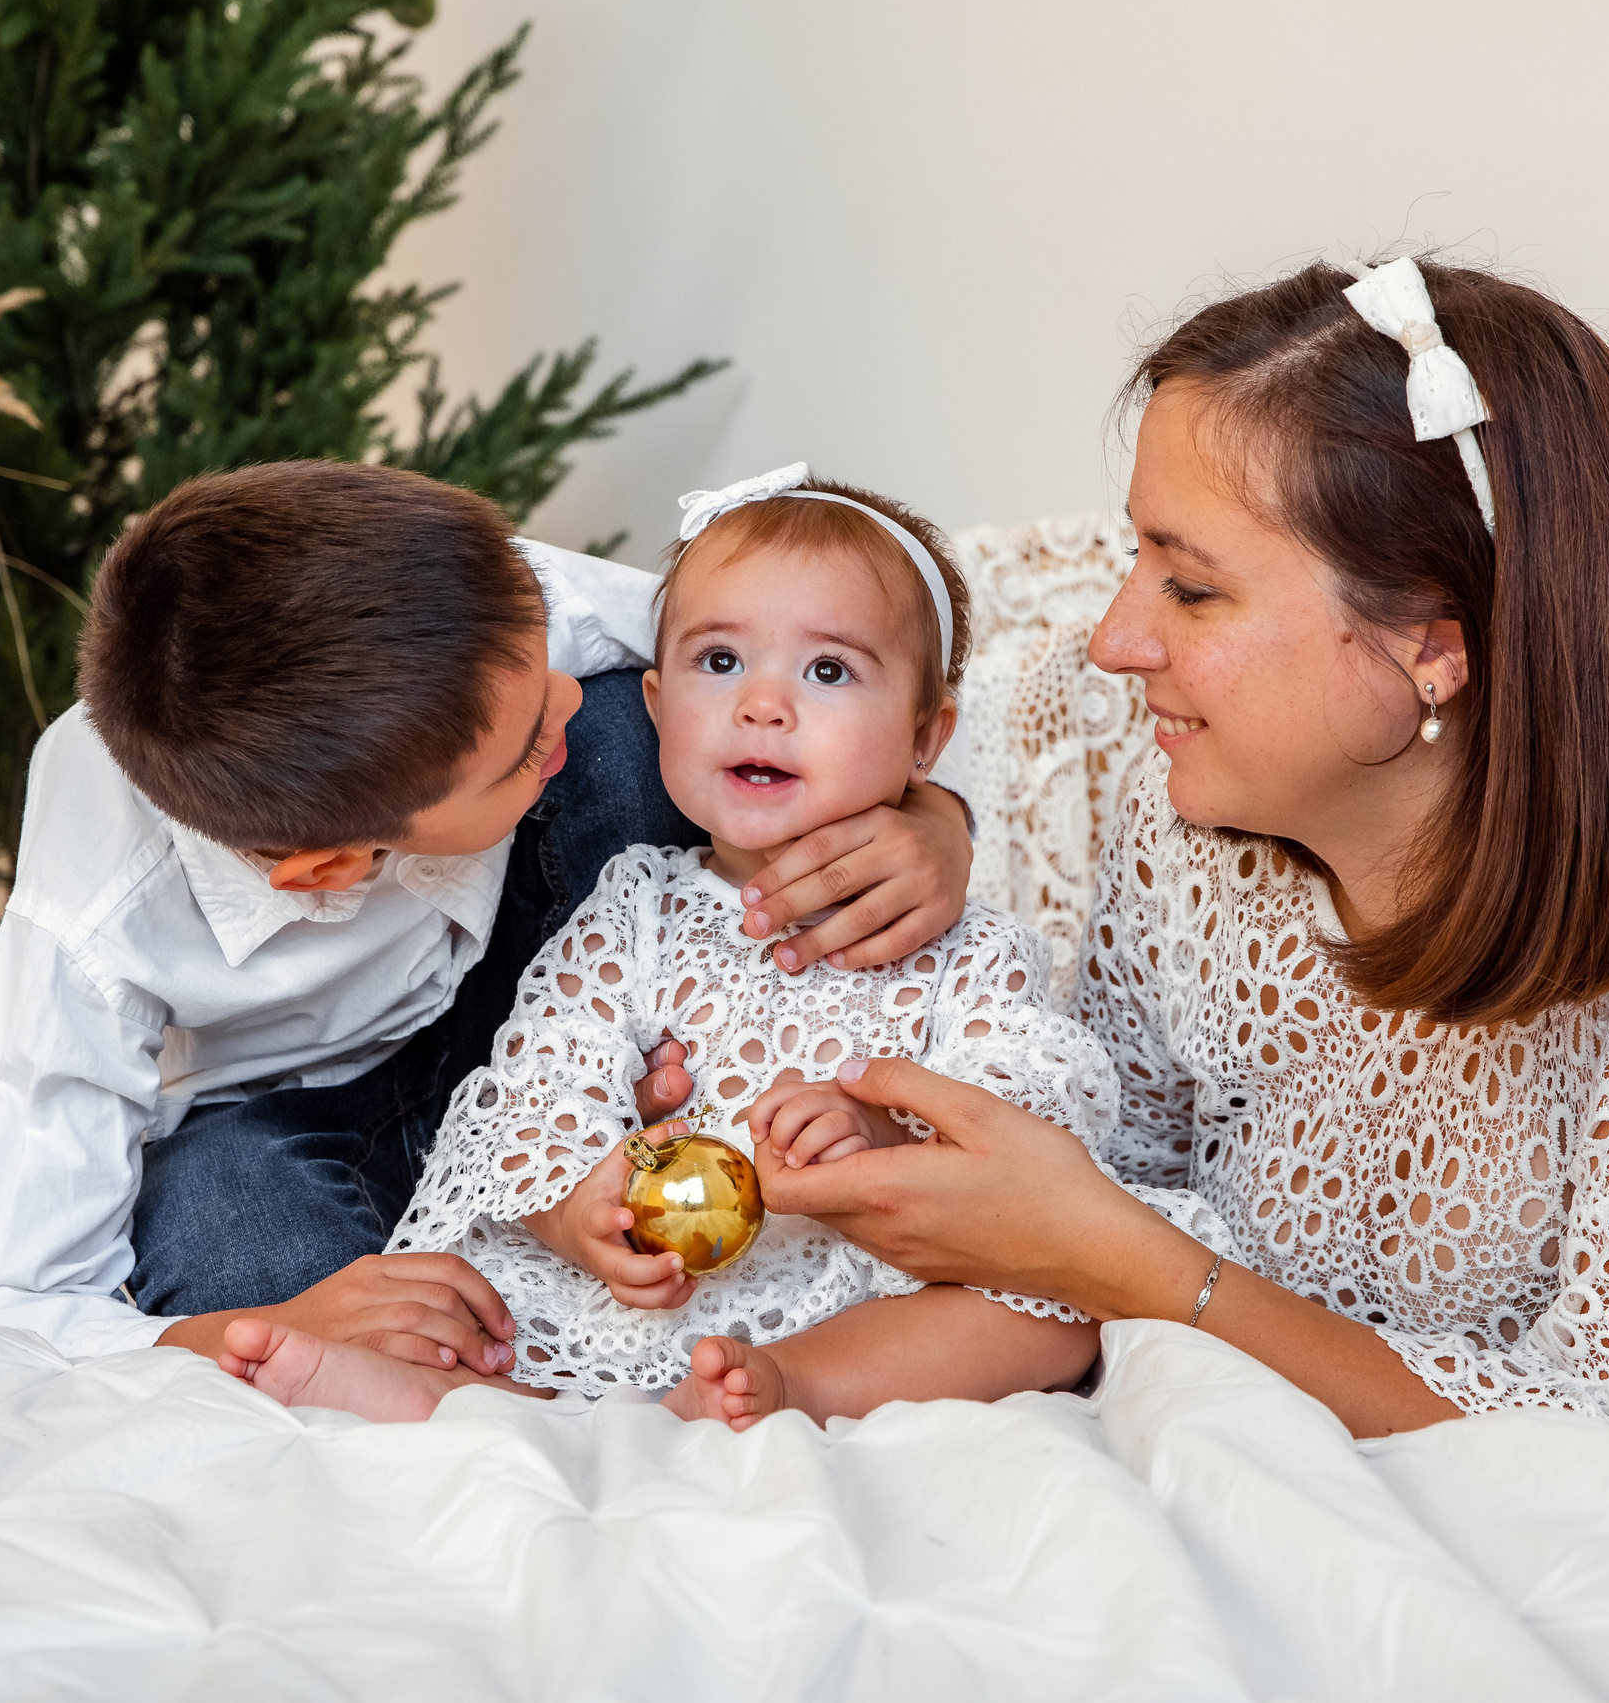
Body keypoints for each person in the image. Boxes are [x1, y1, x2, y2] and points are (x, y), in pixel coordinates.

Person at [754, 255, 1609, 1443]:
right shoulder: (1204, 809)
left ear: (1433, 647)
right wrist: (930, 852)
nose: (1116, 639)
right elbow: (1103, 1179)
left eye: (1190, 588)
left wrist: (1124, 1263)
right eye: (1135, 562)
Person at [0, 461, 977, 1400]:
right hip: (302, 1114)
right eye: (521, 748)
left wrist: (933, 821)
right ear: (330, 866)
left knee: (629, 729)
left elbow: (838, 661)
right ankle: (459, 1359)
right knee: (226, 1222)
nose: (561, 696)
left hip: (564, 1002)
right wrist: (254, 1326)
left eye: (542, 659)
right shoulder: (99, 911)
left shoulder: (486, 610)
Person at [216, 466, 1126, 1428]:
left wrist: (885, 1134)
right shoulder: (635, 909)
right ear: (655, 704)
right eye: (720, 661)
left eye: (828, 671)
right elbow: (541, 1086)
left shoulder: (963, 941)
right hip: (651, 1282)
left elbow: (1032, 1106)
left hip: (869, 1284)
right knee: (476, 1308)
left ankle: (796, 1381)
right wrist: (582, 1210)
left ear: (925, 739)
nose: (763, 704)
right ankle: (459, 1395)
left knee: (1060, 1306)